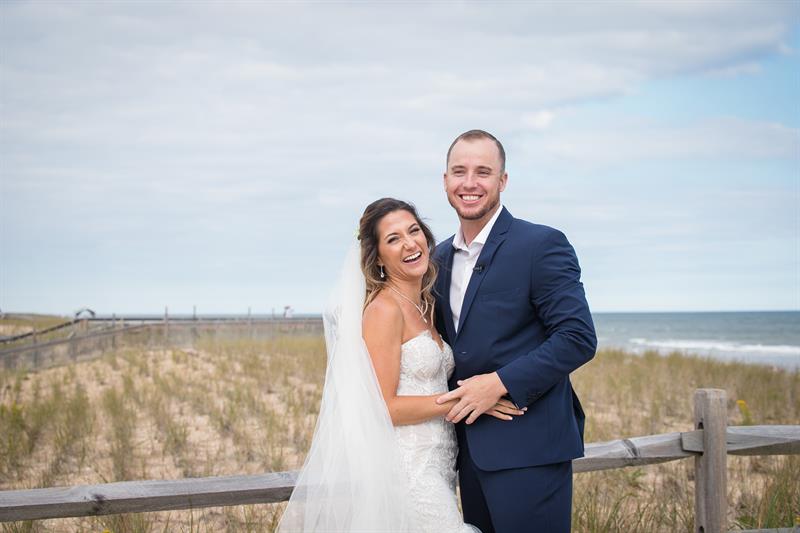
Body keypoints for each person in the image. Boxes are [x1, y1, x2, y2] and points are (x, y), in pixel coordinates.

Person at [277, 198, 523, 532]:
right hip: (408, 470)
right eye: (393, 239)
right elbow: (385, 406)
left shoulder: (426, 303)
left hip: (439, 463)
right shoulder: (384, 310)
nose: (409, 243)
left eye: (414, 230)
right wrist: (467, 399)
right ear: (377, 256)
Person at [433, 130, 597, 533]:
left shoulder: (541, 244)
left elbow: (577, 337)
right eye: (460, 171)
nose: (469, 183)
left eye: (483, 172)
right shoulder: (437, 258)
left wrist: (498, 383)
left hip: (530, 449)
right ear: (445, 181)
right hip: (467, 450)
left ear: (502, 181)